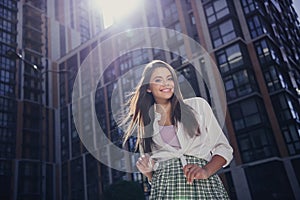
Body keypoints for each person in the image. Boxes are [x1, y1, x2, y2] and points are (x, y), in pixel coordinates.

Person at [123, 60, 233, 199]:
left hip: (203, 187)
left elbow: (224, 148)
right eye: (158, 79)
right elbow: (153, 172)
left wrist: (206, 170)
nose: (166, 83)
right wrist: (148, 173)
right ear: (148, 88)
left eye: (169, 78)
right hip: (165, 191)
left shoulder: (197, 106)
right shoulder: (146, 125)